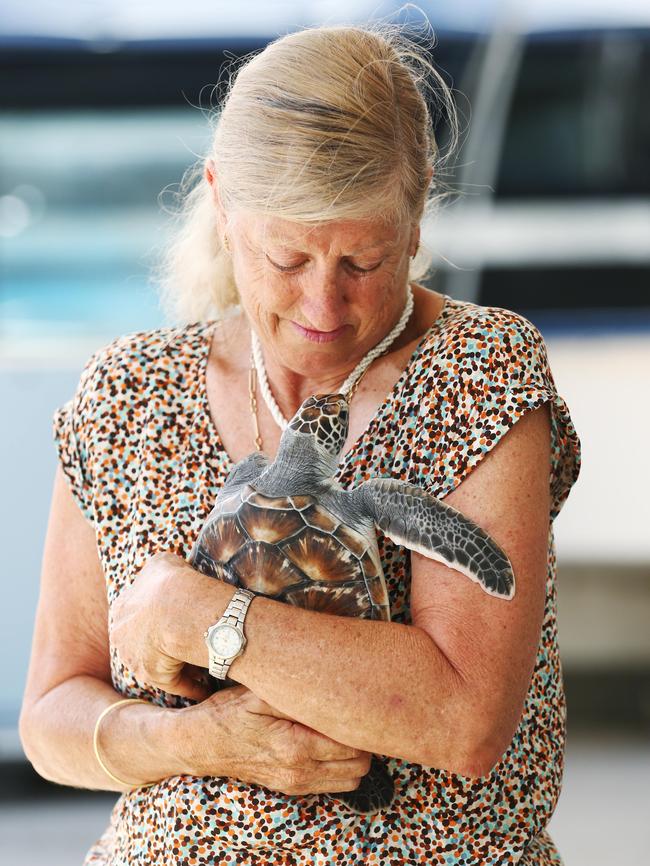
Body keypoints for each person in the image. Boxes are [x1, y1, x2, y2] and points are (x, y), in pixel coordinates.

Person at [19, 22, 580, 866]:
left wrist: (197, 611)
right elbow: (51, 715)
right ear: (222, 202)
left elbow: (463, 720)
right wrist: (197, 742)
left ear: (418, 211)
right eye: (287, 257)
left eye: (362, 258)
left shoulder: (475, 369)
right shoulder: (126, 393)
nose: (324, 303)